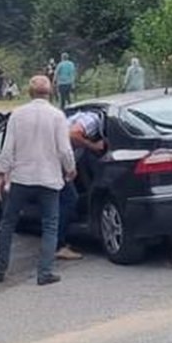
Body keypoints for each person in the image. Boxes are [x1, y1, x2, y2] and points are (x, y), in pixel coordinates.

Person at [0, 76, 75, 286]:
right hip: (49, 178)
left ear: (29, 92)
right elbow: (64, 149)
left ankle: (0, 268)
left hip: (22, 178)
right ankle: (44, 272)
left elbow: (8, 148)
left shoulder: (18, 115)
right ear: (51, 91)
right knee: (50, 225)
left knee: (8, 223)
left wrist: (1, 174)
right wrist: (70, 169)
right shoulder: (57, 116)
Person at [58, 109, 106, 261]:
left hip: (50, 159)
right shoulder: (92, 120)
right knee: (69, 199)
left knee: (60, 200)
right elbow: (73, 134)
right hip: (57, 160)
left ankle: (57, 241)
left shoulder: (76, 117)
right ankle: (58, 245)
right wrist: (94, 146)